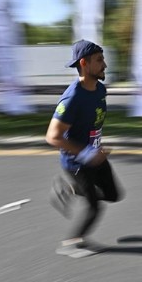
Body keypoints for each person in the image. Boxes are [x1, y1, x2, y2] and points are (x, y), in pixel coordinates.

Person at [45, 39, 123, 258]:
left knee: (113, 194)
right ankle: (71, 243)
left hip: (95, 155)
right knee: (94, 208)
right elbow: (53, 136)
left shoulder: (100, 89)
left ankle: (68, 189)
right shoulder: (72, 99)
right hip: (77, 162)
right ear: (84, 63)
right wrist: (87, 153)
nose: (105, 65)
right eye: (99, 60)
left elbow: (91, 123)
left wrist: (96, 147)